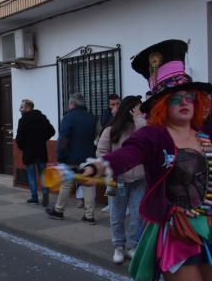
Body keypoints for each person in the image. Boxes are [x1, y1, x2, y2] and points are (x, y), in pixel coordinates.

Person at [80, 40, 212, 281]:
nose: (184, 103)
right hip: (177, 227)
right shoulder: (153, 136)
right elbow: (128, 155)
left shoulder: (209, 135)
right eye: (174, 98)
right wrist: (98, 167)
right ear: (160, 105)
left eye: (189, 97)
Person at [96, 96, 146, 263]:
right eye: (137, 109)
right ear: (129, 110)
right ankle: (118, 246)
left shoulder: (141, 126)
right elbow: (101, 152)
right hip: (119, 180)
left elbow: (147, 140)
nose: (141, 112)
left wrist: (139, 119)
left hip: (139, 179)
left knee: (137, 215)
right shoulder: (111, 130)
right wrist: (111, 170)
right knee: (117, 215)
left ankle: (132, 245)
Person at [46, 93, 98, 224]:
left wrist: (60, 157)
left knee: (66, 184)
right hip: (89, 157)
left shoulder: (68, 118)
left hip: (71, 158)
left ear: (72, 104)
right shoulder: (93, 118)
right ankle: (89, 215)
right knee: (89, 185)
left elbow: (63, 139)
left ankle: (58, 210)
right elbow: (98, 136)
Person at [15, 99, 55, 206]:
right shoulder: (42, 117)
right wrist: (42, 139)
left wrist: (23, 147)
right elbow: (52, 131)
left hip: (29, 152)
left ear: (28, 108)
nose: (20, 109)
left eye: (22, 107)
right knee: (43, 175)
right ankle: (45, 193)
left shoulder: (23, 120)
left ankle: (34, 197)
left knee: (31, 175)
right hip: (41, 151)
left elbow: (19, 138)